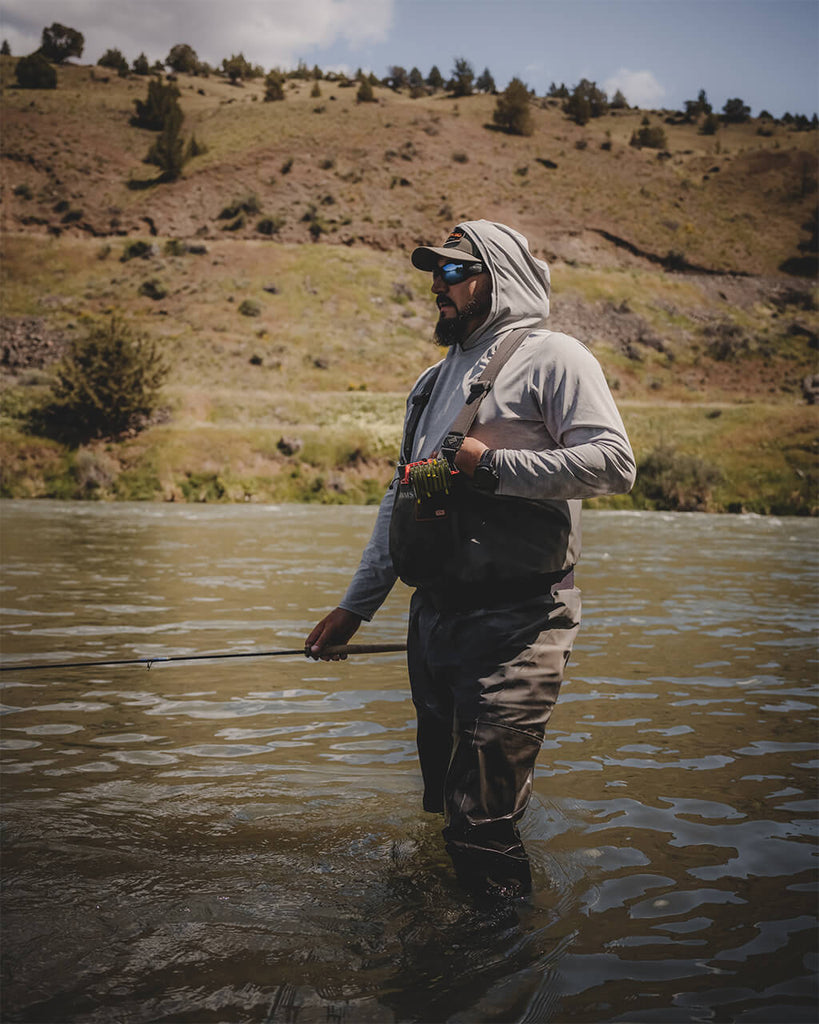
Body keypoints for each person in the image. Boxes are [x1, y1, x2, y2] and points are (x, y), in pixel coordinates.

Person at [306, 220, 636, 899]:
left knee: (479, 822)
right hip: (434, 624)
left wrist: (492, 467)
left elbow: (613, 464)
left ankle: (497, 975)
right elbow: (398, 501)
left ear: (499, 278)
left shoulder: (556, 358)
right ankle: (447, 928)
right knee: (447, 808)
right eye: (435, 272)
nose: (438, 284)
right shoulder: (430, 382)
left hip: (520, 622)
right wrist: (354, 607)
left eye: (456, 271)